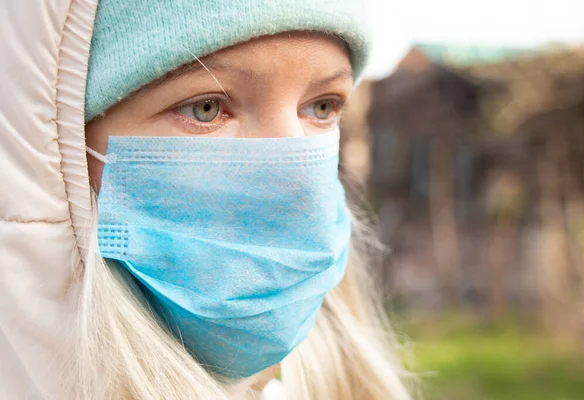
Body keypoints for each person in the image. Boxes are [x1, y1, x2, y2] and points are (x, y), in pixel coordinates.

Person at [0, 0, 413, 398]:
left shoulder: (344, 384)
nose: (296, 184)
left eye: (322, 107)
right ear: (59, 150)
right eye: (206, 108)